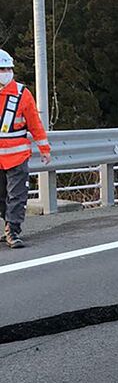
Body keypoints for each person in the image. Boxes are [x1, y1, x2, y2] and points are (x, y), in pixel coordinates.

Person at [0, 49, 51, 248]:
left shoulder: (21, 94)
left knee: (17, 196)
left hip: (17, 156)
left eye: (8, 69)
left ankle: (13, 231)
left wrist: (44, 148)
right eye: (2, 69)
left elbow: (35, 124)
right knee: (2, 197)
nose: (6, 72)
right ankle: (8, 225)